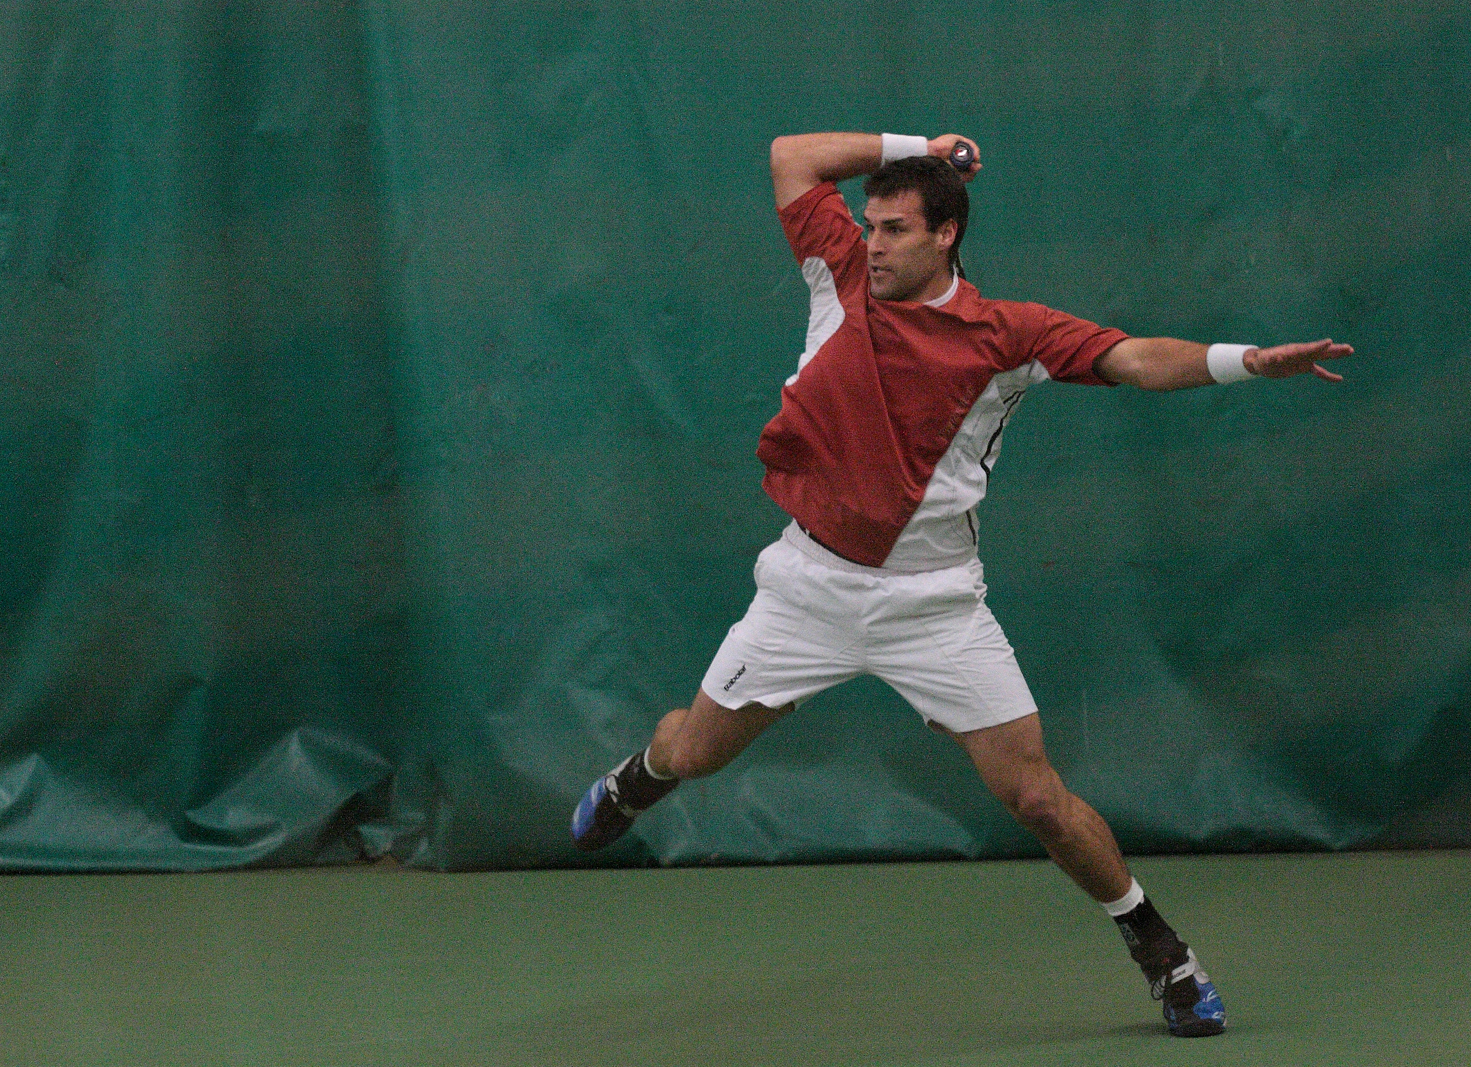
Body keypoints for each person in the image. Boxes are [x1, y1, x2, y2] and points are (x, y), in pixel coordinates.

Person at [570, 129, 1352, 1038]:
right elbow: (791, 155)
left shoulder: (1008, 334)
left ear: (947, 235)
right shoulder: (840, 273)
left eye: (897, 228)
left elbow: (1134, 359)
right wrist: (913, 145)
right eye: (870, 225)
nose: (875, 242)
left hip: (935, 605)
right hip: (806, 589)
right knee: (696, 753)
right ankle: (638, 777)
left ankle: (1160, 949)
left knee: (1035, 799)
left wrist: (1244, 360)